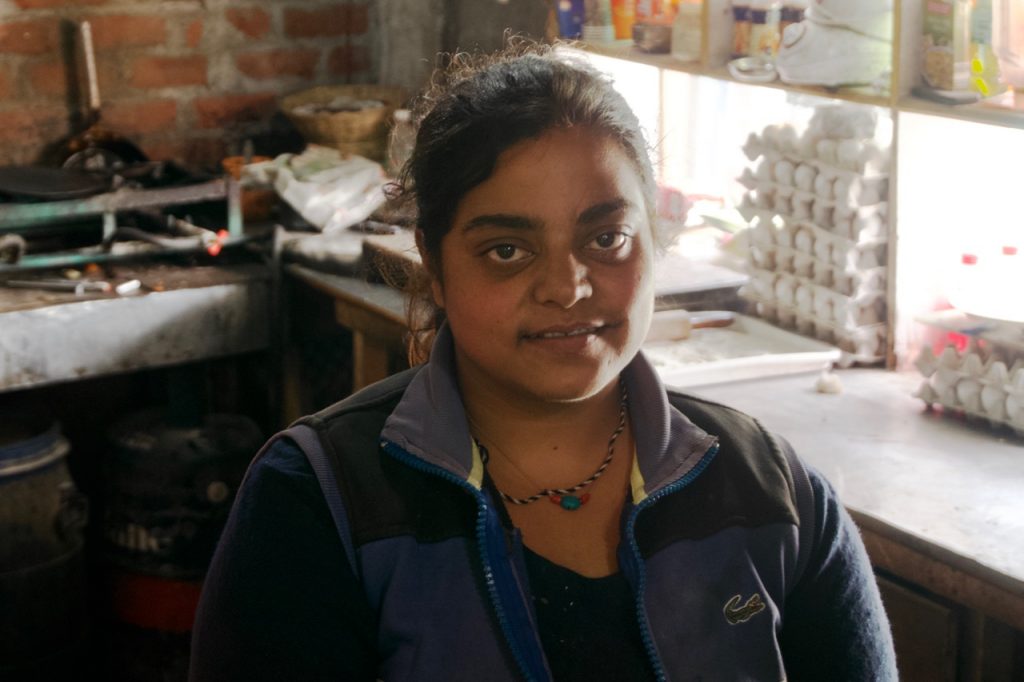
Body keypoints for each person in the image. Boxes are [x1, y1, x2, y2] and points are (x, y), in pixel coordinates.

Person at [189, 43, 897, 681]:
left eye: (607, 237)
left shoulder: (775, 497)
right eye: (507, 249)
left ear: (655, 237)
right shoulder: (321, 503)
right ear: (433, 265)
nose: (566, 286)